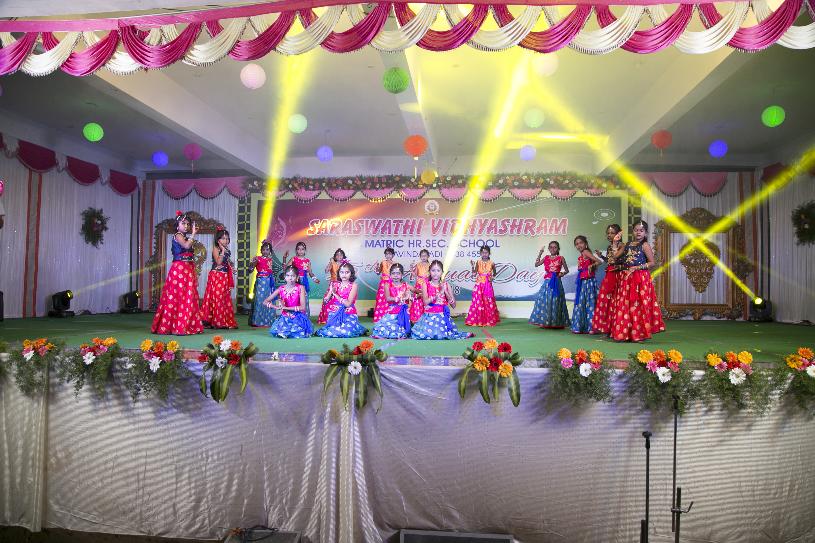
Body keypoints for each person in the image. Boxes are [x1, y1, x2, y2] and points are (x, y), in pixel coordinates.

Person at [611, 220, 666, 342]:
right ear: (633, 231)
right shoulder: (627, 244)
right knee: (626, 305)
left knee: (638, 305)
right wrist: (615, 242)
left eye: (641, 230)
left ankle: (639, 333)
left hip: (640, 278)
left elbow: (652, 263)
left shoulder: (645, 245)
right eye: (636, 230)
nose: (638, 232)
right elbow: (615, 257)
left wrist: (637, 267)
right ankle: (625, 333)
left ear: (645, 233)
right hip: (627, 278)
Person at [151, 210, 203, 335]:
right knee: (178, 296)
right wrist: (193, 234)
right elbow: (186, 246)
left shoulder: (185, 237)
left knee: (188, 296)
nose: (186, 226)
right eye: (183, 223)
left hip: (187, 268)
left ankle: (187, 325)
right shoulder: (178, 235)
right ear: (177, 225)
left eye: (188, 224)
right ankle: (177, 326)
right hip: (179, 269)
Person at [411, 260, 473, 340]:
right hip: (429, 317)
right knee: (427, 335)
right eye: (433, 270)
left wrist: (445, 291)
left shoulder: (446, 285)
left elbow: (453, 305)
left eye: (438, 270)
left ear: (442, 272)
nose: (435, 273)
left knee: (441, 334)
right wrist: (438, 294)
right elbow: (425, 302)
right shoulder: (425, 284)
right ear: (429, 272)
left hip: (442, 318)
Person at [315, 262, 367, 338]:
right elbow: (326, 301)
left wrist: (335, 294)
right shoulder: (334, 284)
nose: (344, 274)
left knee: (347, 332)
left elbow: (348, 304)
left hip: (349, 313)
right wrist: (328, 295)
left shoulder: (353, 285)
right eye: (341, 272)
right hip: (335, 313)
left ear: (351, 273)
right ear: (339, 273)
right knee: (331, 330)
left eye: (347, 272)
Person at [200, 226, 237, 329]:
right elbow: (219, 262)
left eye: (227, 238)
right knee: (218, 298)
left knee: (223, 298)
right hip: (216, 276)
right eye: (223, 238)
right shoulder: (216, 248)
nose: (226, 240)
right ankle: (216, 322)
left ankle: (223, 320)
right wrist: (223, 251)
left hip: (224, 276)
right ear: (218, 240)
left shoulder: (227, 250)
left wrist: (232, 268)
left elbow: (227, 262)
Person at [591, 224, 623, 335]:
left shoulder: (622, 246)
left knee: (616, 301)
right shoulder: (610, 247)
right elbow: (610, 261)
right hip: (609, 274)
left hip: (617, 276)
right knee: (606, 301)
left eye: (612, 233)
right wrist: (602, 256)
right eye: (608, 233)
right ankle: (607, 327)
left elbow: (616, 259)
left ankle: (616, 328)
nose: (609, 235)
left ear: (618, 234)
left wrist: (615, 244)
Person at [529, 241, 570, 329]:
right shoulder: (546, 257)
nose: (553, 249)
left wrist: (562, 273)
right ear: (548, 249)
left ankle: (555, 323)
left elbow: (567, 270)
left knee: (556, 301)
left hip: (556, 282)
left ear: (558, 249)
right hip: (547, 282)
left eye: (555, 247)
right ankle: (545, 321)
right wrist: (540, 253)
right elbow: (536, 264)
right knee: (545, 301)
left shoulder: (561, 258)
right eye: (551, 247)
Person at [264, 265, 313, 338]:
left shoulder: (300, 287)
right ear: (284, 277)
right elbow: (265, 301)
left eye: (293, 276)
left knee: (297, 330)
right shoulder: (280, 289)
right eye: (288, 275)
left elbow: (303, 307)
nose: (290, 278)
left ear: (297, 277)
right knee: (281, 329)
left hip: (297, 317)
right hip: (285, 317)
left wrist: (285, 308)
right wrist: (275, 307)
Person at [370, 263, 414, 339]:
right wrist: (398, 298)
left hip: (403, 313)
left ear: (402, 275)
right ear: (390, 275)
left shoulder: (406, 285)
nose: (395, 275)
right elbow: (388, 298)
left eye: (398, 273)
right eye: (393, 273)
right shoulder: (387, 285)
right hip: (392, 312)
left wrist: (411, 295)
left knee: (402, 329)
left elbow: (418, 292)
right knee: (383, 328)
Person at [570, 235, 602, 334]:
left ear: (585, 244)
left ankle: (591, 327)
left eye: (581, 243)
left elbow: (599, 261)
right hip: (583, 283)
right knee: (584, 303)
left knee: (589, 303)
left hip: (589, 282)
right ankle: (585, 326)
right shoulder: (580, 256)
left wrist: (592, 265)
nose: (579, 245)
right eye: (576, 244)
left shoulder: (586, 252)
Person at [465, 244, 500, 327]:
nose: (484, 254)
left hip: (487, 285)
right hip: (479, 285)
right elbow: (474, 274)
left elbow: (495, 273)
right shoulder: (478, 262)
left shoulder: (492, 263)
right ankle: (478, 320)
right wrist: (472, 266)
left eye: (486, 252)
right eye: (483, 252)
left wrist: (492, 278)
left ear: (489, 253)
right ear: (480, 253)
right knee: (478, 302)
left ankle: (489, 320)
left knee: (488, 302)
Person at [282, 242, 320, 312]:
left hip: (304, 282)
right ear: (296, 250)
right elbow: (285, 269)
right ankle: (294, 315)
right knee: (295, 298)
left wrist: (315, 279)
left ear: (305, 250)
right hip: (295, 281)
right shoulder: (294, 259)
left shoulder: (307, 261)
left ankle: (304, 316)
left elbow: (310, 272)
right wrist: (284, 258)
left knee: (304, 298)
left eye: (302, 249)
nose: (300, 251)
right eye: (298, 249)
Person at [249, 240, 277, 327]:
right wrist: (251, 264)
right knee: (260, 300)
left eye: (267, 250)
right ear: (261, 250)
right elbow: (250, 270)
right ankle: (258, 321)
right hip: (261, 281)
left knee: (269, 299)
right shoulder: (258, 258)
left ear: (270, 251)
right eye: (263, 249)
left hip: (269, 282)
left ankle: (269, 320)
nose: (265, 251)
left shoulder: (270, 260)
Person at [318, 248, 346, 324]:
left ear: (343, 256)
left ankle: (340, 318)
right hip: (333, 284)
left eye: (341, 255)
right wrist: (331, 262)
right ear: (335, 256)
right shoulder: (332, 263)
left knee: (341, 300)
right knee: (327, 300)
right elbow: (326, 271)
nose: (339, 256)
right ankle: (326, 318)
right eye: (337, 255)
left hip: (343, 285)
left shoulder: (345, 264)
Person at [373, 247, 395, 322]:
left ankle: (390, 316)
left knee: (390, 300)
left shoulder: (395, 264)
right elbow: (378, 272)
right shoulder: (383, 262)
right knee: (381, 300)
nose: (388, 255)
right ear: (385, 255)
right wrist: (376, 268)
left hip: (391, 284)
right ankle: (379, 317)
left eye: (390, 254)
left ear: (393, 255)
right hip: (383, 284)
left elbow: (396, 275)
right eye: (387, 254)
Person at [409, 249, 431, 323]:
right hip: (419, 284)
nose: (423, 257)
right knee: (418, 300)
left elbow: (431, 276)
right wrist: (411, 270)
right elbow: (415, 275)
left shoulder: (430, 265)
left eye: (425, 256)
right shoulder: (418, 264)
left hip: (427, 284)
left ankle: (427, 318)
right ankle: (417, 317)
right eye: (422, 256)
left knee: (426, 300)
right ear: (420, 257)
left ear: (428, 256)